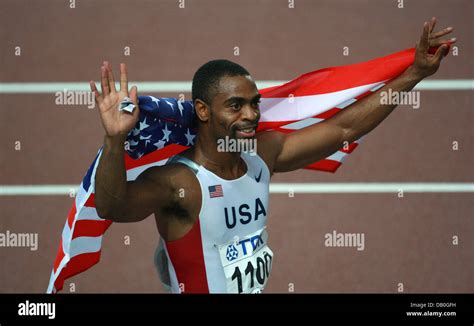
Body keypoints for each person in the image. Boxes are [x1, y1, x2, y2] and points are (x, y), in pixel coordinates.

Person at [89, 18, 455, 293]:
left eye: (254, 103)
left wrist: (415, 73)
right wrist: (114, 139)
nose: (250, 115)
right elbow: (111, 207)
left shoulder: (262, 154)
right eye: (235, 106)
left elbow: (345, 129)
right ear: (202, 110)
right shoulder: (180, 183)